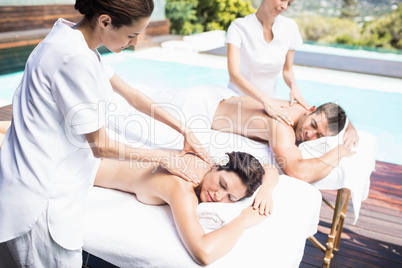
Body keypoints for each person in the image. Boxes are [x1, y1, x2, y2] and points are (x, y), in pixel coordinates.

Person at [0, 0, 213, 266]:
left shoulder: (74, 42)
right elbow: (100, 146)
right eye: (131, 35)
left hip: (33, 184)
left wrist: (185, 130)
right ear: (104, 21)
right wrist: (162, 156)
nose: (134, 42)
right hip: (41, 202)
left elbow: (133, 96)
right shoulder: (73, 59)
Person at [108, 85, 359, 184]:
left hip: (216, 95)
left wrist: (351, 128)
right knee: (121, 114)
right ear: (311, 110)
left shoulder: (301, 109)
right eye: (314, 125)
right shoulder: (282, 126)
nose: (308, 133)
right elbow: (298, 171)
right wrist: (338, 152)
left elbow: (334, 118)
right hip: (199, 107)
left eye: (318, 136)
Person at [95, 151, 278, 266]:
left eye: (231, 198)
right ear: (216, 166)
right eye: (222, 184)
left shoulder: (206, 161)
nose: (219, 196)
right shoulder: (183, 188)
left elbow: (270, 168)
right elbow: (203, 253)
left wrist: (266, 191)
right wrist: (244, 220)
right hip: (84, 168)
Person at [226, 0, 309, 126]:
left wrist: (293, 87)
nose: (285, 6)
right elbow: (234, 76)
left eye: (289, 3)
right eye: (282, 0)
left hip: (270, 103)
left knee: (305, 114)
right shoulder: (239, 27)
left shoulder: (290, 27)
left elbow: (287, 70)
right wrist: (265, 101)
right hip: (238, 100)